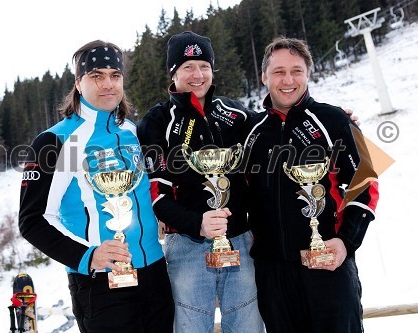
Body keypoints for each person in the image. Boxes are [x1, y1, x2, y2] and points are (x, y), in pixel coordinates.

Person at [18, 40, 174, 333]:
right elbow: (33, 220)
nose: (108, 84)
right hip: (100, 283)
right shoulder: (57, 141)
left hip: (155, 273)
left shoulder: (133, 132)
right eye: (96, 76)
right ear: (78, 83)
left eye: (115, 75)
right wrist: (88, 256)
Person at [243, 36, 379, 333]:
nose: (288, 80)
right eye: (278, 71)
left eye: (296, 70)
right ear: (264, 76)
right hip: (272, 272)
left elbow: (366, 183)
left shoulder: (335, 120)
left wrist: (346, 242)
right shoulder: (249, 130)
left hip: (328, 265)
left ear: (308, 74)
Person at [137, 31, 265, 333]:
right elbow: (156, 195)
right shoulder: (156, 122)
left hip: (241, 242)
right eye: (188, 67)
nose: (198, 74)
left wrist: (339, 120)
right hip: (187, 245)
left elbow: (276, 130)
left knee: (247, 327)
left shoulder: (235, 114)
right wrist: (198, 224)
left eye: (204, 65)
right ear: (173, 72)